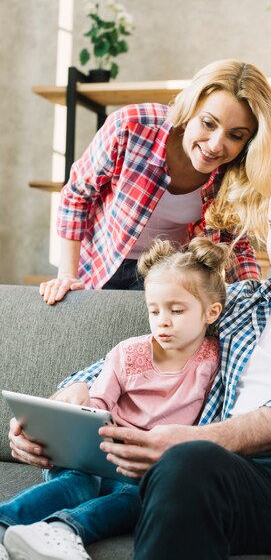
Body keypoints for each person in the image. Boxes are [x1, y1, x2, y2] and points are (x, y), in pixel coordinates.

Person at [11, 157, 271, 559]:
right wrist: (63, 401)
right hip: (245, 478)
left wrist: (201, 437)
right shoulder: (239, 302)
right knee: (187, 464)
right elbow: (148, 351)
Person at [2, 237, 228, 560]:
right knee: (80, 485)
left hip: (141, 473)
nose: (162, 320)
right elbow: (96, 408)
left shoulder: (213, 362)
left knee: (141, 498)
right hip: (94, 459)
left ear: (211, 312)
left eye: (176, 310)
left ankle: (59, 531)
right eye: (154, 310)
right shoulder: (127, 354)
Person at [39, 59, 271, 305]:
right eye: (208, 123)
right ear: (191, 108)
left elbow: (235, 245)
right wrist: (67, 275)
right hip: (100, 262)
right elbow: (77, 195)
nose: (214, 146)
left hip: (165, 274)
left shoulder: (235, 173)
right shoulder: (131, 126)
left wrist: (254, 299)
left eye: (235, 135)